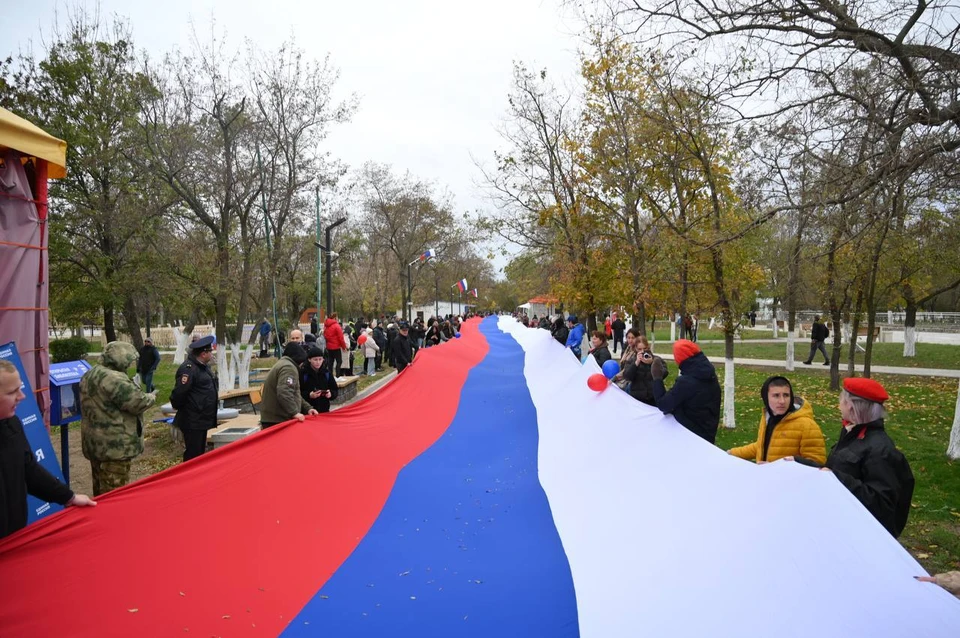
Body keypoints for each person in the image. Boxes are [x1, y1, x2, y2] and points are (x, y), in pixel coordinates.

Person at [792, 378, 914, 538]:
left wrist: (835, 477)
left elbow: (881, 504)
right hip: (842, 526)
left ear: (850, 406)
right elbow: (836, 470)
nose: (839, 405)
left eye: (841, 400)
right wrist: (798, 462)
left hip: (859, 537)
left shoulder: (880, 450)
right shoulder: (853, 433)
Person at [1, 360, 96, 539]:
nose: (21, 396)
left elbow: (29, 470)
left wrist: (68, 497)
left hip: (14, 538)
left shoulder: (12, 424)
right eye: (12, 392)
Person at [80, 341, 157, 495]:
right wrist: (152, 396)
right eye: (128, 360)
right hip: (115, 448)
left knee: (100, 490)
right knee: (115, 493)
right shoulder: (113, 378)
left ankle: (100, 517)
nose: (129, 364)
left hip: (95, 444)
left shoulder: (91, 373)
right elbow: (137, 402)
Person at [728, 376, 826, 464]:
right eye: (776, 396)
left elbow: (817, 463)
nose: (782, 401)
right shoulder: (768, 418)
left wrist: (775, 469)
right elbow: (762, 446)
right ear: (766, 398)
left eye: (786, 395)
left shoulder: (807, 425)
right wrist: (732, 453)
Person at [651, 339, 721, 444]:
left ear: (679, 359)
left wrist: (657, 378)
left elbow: (663, 404)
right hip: (708, 433)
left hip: (691, 437)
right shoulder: (709, 374)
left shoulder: (686, 382)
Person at [170, 335, 220, 462]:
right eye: (210, 351)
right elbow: (179, 394)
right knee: (193, 455)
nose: (212, 354)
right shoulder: (189, 369)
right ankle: (188, 480)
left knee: (199, 454)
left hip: (201, 419)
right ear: (203, 354)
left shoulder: (203, 367)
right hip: (193, 419)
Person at [260, 342, 319, 428]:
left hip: (273, 418)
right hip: (277, 420)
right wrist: (294, 412)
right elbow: (285, 393)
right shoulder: (288, 368)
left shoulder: (283, 364)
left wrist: (308, 408)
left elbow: (294, 394)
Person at [621, 335, 669, 406]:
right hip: (638, 398)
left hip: (654, 397)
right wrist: (636, 364)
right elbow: (627, 376)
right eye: (639, 349)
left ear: (648, 347)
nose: (642, 351)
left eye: (645, 348)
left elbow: (664, 373)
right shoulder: (631, 361)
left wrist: (652, 363)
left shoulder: (656, 359)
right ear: (635, 349)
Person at [300, 345, 339, 413]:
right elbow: (298, 393)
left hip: (324, 411)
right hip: (308, 411)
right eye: (315, 360)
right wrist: (309, 395)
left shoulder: (326, 373)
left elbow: (335, 389)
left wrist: (331, 394)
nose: (318, 362)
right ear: (309, 360)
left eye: (320, 359)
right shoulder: (303, 374)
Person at [323, 312, 346, 377]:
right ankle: (337, 375)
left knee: (331, 362)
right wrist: (344, 347)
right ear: (335, 318)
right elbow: (341, 338)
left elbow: (325, 335)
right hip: (336, 346)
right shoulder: (336, 326)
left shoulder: (326, 326)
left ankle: (330, 375)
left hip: (329, 346)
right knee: (339, 361)